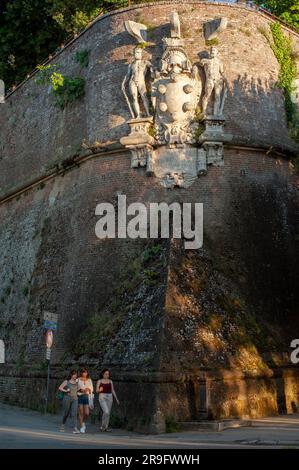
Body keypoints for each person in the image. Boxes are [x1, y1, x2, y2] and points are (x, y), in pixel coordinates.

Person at [77, 368, 94, 433]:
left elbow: (92, 389)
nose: (85, 374)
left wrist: (88, 390)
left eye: (86, 372)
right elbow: (75, 388)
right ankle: (82, 427)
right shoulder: (78, 380)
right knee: (81, 412)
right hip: (80, 396)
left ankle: (83, 422)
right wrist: (81, 390)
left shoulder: (89, 380)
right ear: (81, 373)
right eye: (84, 372)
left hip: (86, 397)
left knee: (87, 413)